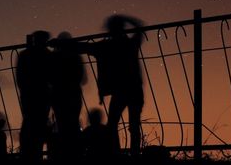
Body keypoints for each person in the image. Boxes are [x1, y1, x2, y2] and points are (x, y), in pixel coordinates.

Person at [52, 14, 145, 157]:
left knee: (113, 125)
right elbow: (139, 26)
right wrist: (125, 19)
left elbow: (82, 47)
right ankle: (134, 155)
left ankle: (115, 154)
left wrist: (61, 44)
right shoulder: (129, 44)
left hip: (120, 91)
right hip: (134, 90)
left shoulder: (106, 46)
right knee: (132, 125)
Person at [16, 30, 52, 163]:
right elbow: (51, 75)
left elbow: (20, 78)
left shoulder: (24, 55)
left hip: (29, 96)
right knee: (39, 124)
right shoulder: (47, 55)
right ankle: (36, 154)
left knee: (29, 125)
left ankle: (28, 155)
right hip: (41, 95)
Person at [50, 31, 86, 161]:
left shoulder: (53, 58)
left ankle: (64, 154)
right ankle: (75, 154)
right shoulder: (75, 57)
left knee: (62, 124)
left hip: (58, 95)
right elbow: (81, 77)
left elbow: (50, 77)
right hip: (73, 94)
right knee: (73, 124)